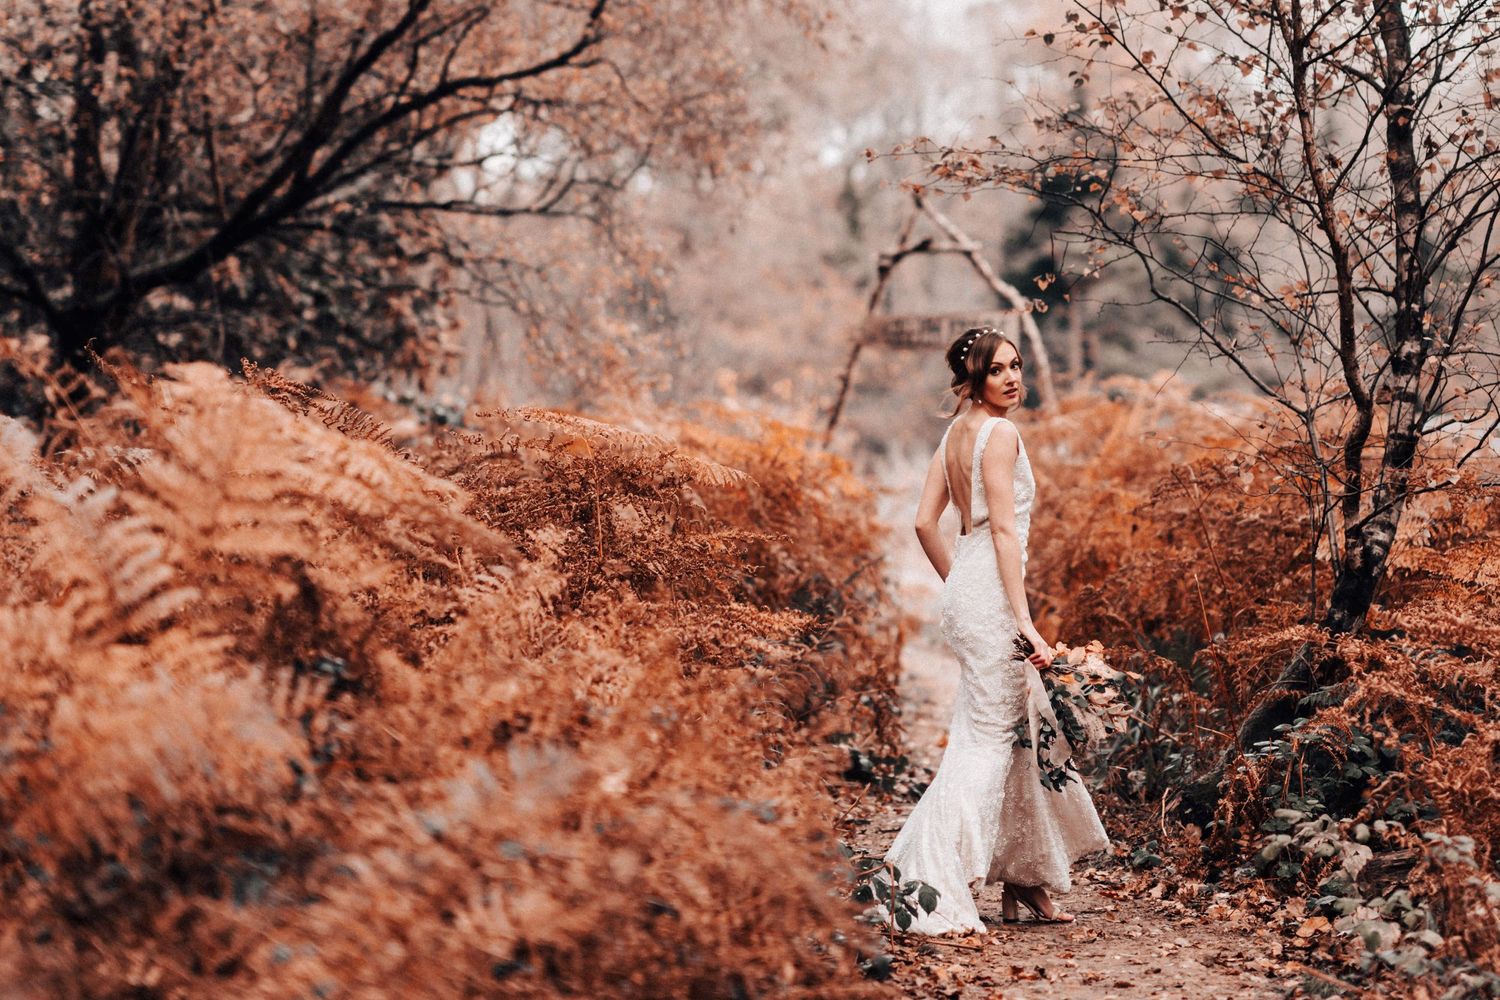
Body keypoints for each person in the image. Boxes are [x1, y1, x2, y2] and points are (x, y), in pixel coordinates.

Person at [881, 326, 1109, 935]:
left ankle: (1023, 882)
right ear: (973, 379)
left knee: (1018, 735)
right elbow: (1005, 533)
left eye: (1015, 366)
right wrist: (1024, 622)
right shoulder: (1000, 432)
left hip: (968, 595)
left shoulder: (954, 433)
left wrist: (963, 587)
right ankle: (927, 881)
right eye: (996, 370)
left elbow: (926, 524)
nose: (1011, 378)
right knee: (986, 743)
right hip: (989, 599)